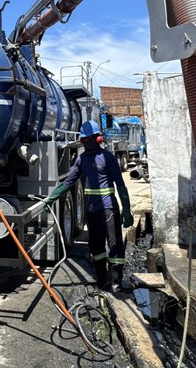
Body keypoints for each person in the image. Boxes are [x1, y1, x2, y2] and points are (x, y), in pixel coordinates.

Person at [42, 120, 133, 292]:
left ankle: (116, 282)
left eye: (89, 139)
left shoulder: (108, 158)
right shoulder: (81, 160)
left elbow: (121, 185)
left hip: (108, 209)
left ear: (97, 138)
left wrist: (126, 210)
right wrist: (51, 198)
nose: (86, 142)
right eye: (84, 140)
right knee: (96, 246)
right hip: (91, 211)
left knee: (114, 245)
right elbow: (68, 183)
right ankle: (102, 280)